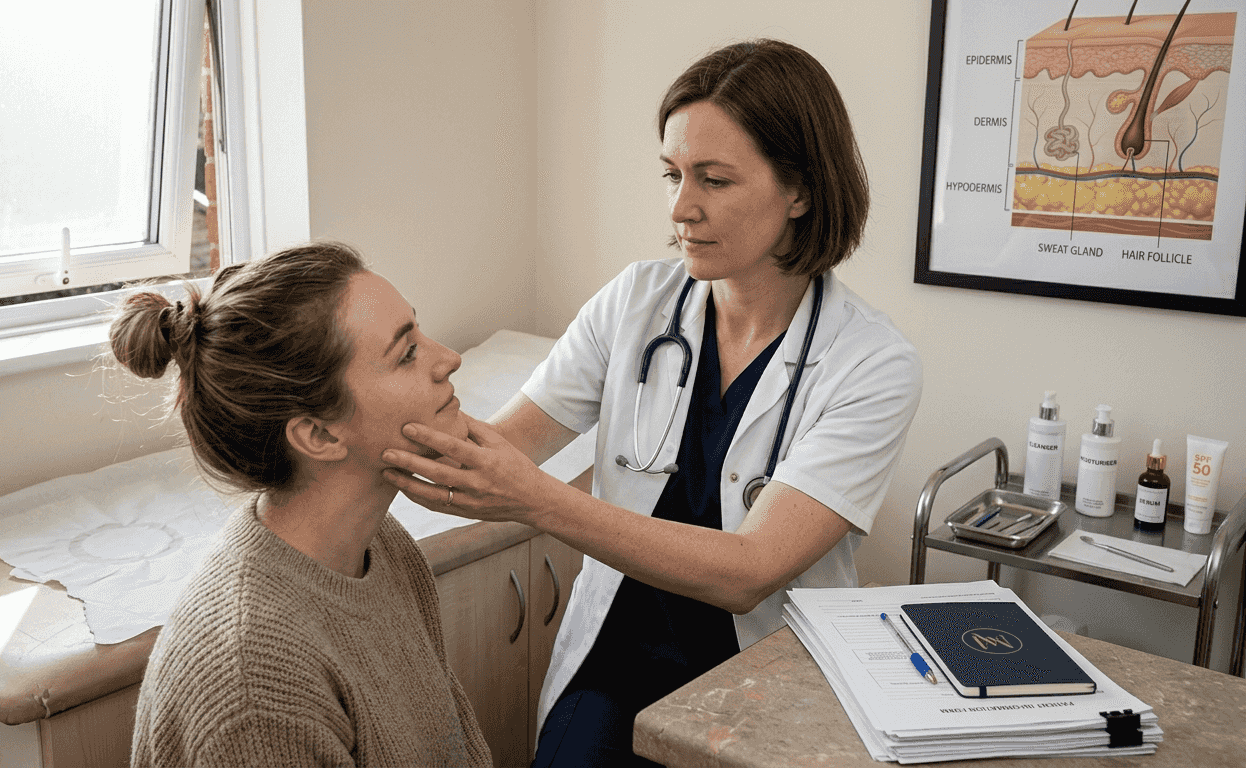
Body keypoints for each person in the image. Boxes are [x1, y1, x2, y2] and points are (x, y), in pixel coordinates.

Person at [380, 39, 923, 766]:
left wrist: (537, 501)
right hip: (616, 662)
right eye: (672, 174)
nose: (681, 208)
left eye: (715, 180)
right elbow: (504, 452)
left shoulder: (871, 363)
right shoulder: (636, 303)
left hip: (765, 674)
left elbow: (749, 571)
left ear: (799, 190)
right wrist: (368, 404)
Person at [111, 242, 492, 767]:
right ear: (318, 434)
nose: (448, 358)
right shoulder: (253, 679)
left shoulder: (379, 544)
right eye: (406, 353)